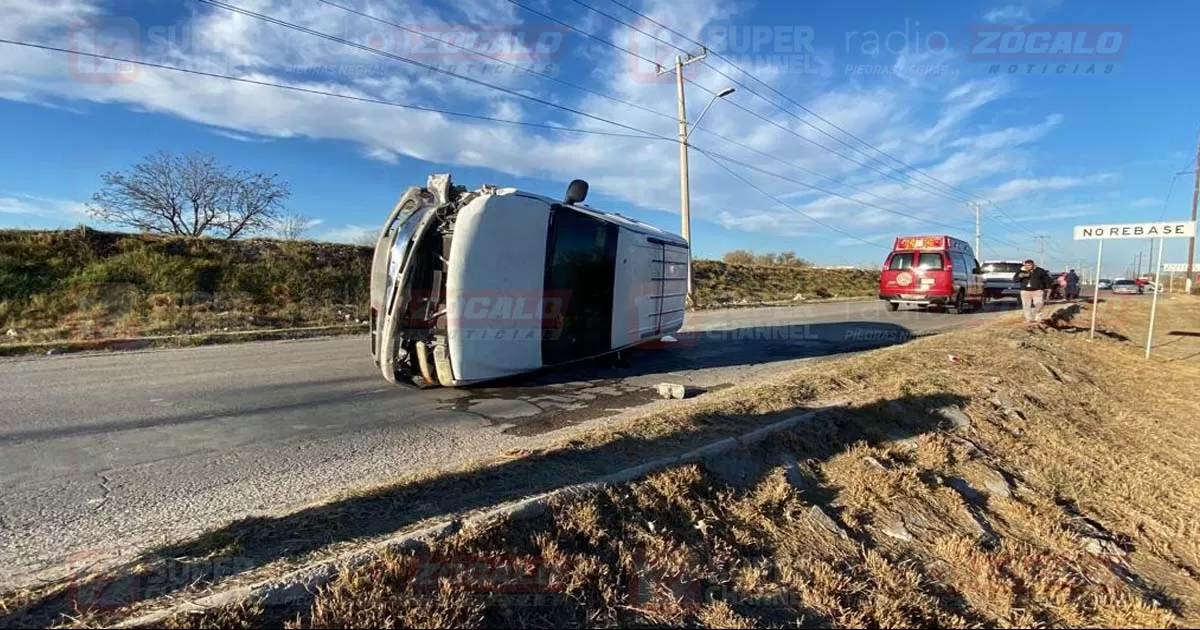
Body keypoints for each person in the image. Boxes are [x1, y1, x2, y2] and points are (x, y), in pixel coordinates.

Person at [1014, 259, 1054, 324]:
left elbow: (1047, 280)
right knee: (1026, 305)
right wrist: (1021, 275)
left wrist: (1049, 288)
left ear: (1033, 265)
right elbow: (1015, 279)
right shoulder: (1021, 271)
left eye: (1029, 265)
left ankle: (1038, 318)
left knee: (1039, 304)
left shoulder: (1040, 270)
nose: (1027, 267)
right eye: (1026, 265)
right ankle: (1028, 319)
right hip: (1025, 291)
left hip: (1037, 290)